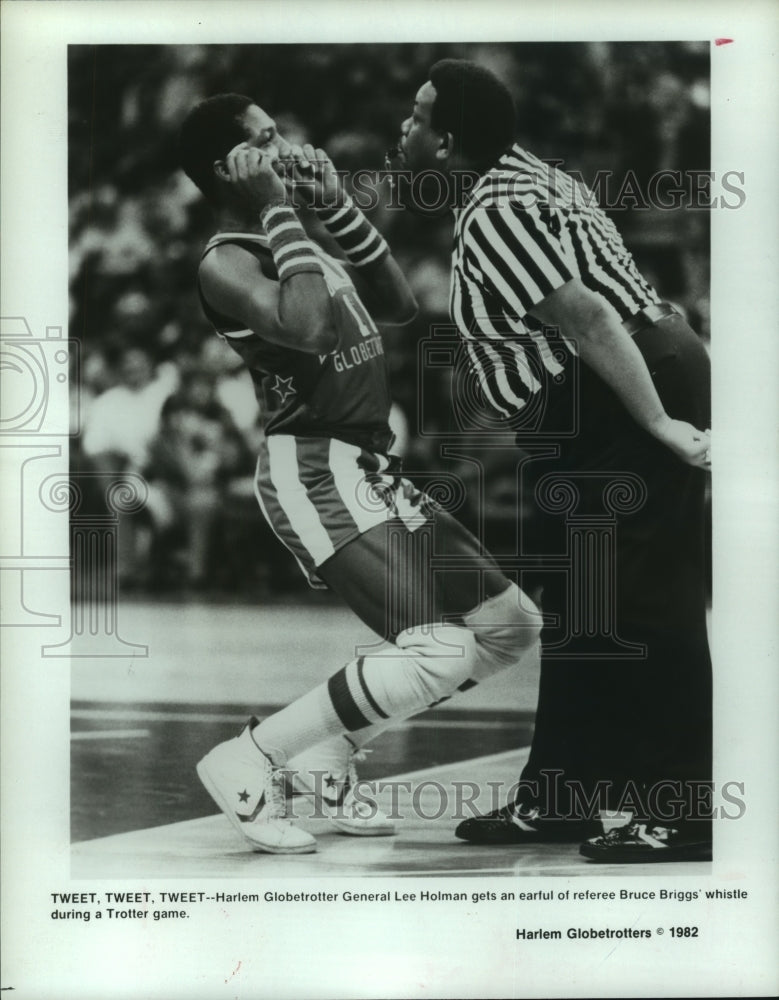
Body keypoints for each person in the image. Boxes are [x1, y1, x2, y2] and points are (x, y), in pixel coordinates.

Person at [178, 94, 543, 854]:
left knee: (509, 626)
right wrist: (280, 205)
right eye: (266, 138)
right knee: (438, 647)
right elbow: (307, 329)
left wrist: (335, 207)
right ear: (228, 168)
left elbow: (400, 305)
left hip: (367, 465)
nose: (288, 143)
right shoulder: (228, 259)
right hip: (312, 465)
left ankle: (326, 746)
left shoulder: (298, 240)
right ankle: (249, 756)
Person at [391, 59, 712, 862]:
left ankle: (682, 806)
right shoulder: (533, 176)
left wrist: (659, 424)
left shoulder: (497, 210)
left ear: (448, 138)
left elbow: (590, 316)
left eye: (417, 115)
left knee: (639, 601)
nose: (405, 127)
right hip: (615, 385)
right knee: (579, 604)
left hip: (618, 388)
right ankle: (563, 795)